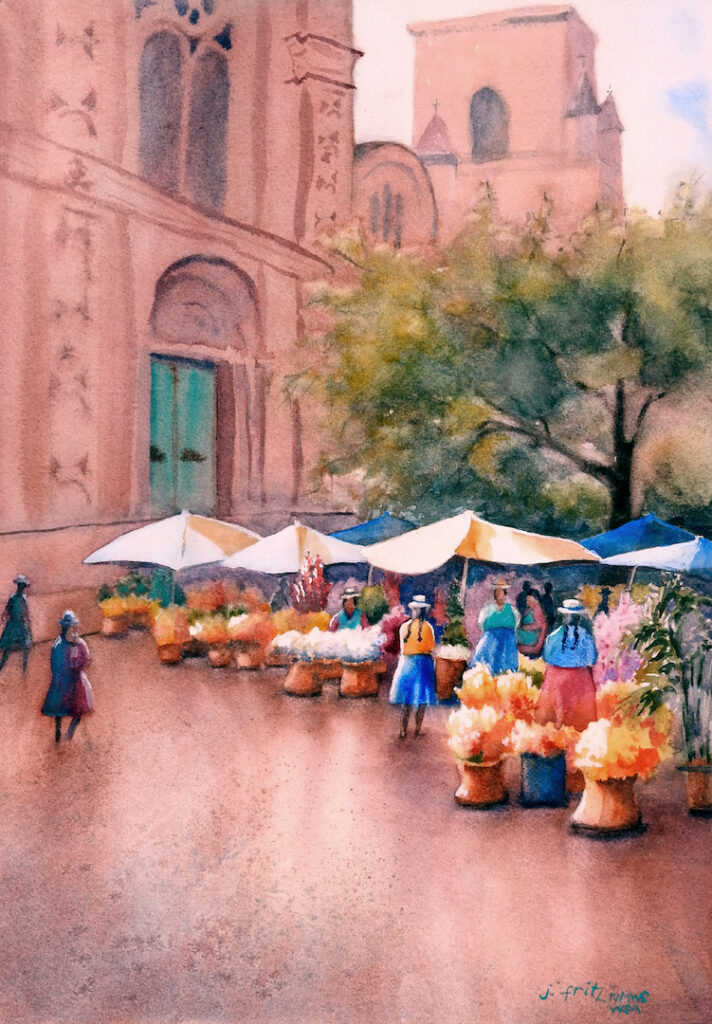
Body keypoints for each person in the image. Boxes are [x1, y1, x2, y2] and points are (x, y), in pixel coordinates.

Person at [537, 599, 597, 732]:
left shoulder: (553, 636)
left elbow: (547, 657)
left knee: (555, 711)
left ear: (564, 617)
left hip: (556, 678)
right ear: (578, 618)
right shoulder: (586, 637)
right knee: (579, 715)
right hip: (579, 679)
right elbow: (592, 659)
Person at [41, 611, 94, 743]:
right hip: (62, 680)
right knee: (59, 710)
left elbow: (86, 659)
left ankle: (69, 734)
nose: (69, 629)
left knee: (78, 709)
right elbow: (55, 663)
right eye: (67, 627)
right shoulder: (58, 645)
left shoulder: (79, 643)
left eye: (71, 626)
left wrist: (76, 665)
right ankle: (58, 735)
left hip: (76, 681)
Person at [389, 595, 437, 738]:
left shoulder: (405, 627)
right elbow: (430, 647)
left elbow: (403, 648)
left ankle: (403, 730)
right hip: (423, 664)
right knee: (422, 700)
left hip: (407, 663)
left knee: (407, 699)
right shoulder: (428, 628)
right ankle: (417, 729)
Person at [470, 578, 520, 673]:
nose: (499, 595)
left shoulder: (512, 610)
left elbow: (516, 623)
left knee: (506, 666)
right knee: (486, 663)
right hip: (490, 639)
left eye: (501, 592)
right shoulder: (487, 609)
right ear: (494, 595)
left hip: (507, 640)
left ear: (505, 594)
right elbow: (481, 623)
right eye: (497, 593)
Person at [0, 575, 33, 673]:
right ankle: (1, 665)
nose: (21, 588)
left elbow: (25, 611)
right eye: (20, 585)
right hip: (14, 624)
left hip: (21, 624)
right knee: (8, 647)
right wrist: (4, 616)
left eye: (23, 586)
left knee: (26, 646)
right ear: (18, 586)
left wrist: (27, 620)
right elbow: (8, 609)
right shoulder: (13, 597)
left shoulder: (24, 598)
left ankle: (24, 667)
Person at [516, 588, 547, 656]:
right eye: (528, 600)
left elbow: (539, 624)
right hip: (530, 635)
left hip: (533, 637)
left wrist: (527, 627)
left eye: (531, 600)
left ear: (536, 600)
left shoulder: (537, 609)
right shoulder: (531, 608)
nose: (529, 602)